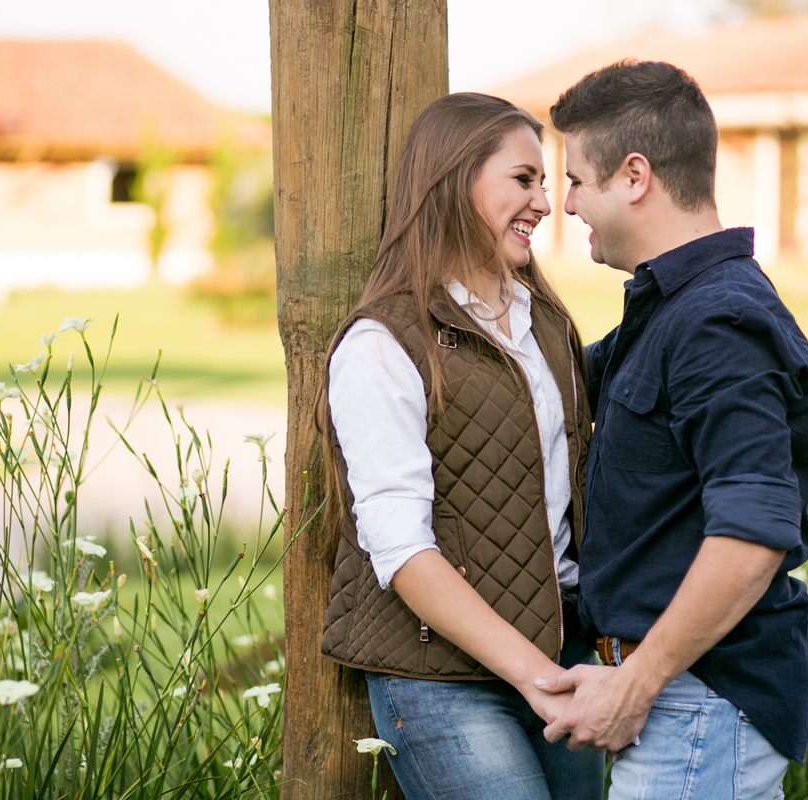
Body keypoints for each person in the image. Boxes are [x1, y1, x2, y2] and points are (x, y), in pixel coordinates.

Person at [534, 60, 808, 800]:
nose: (563, 205)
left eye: (575, 180)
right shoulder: (668, 310)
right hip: (683, 702)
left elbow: (753, 532)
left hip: (699, 701)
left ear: (635, 175)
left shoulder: (715, 324)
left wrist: (638, 682)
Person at [316, 92, 603, 800]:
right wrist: (536, 677)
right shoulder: (382, 344)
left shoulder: (549, 325)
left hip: (560, 657)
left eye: (548, 180)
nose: (545, 201)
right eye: (524, 178)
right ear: (453, 179)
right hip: (439, 679)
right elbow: (402, 550)